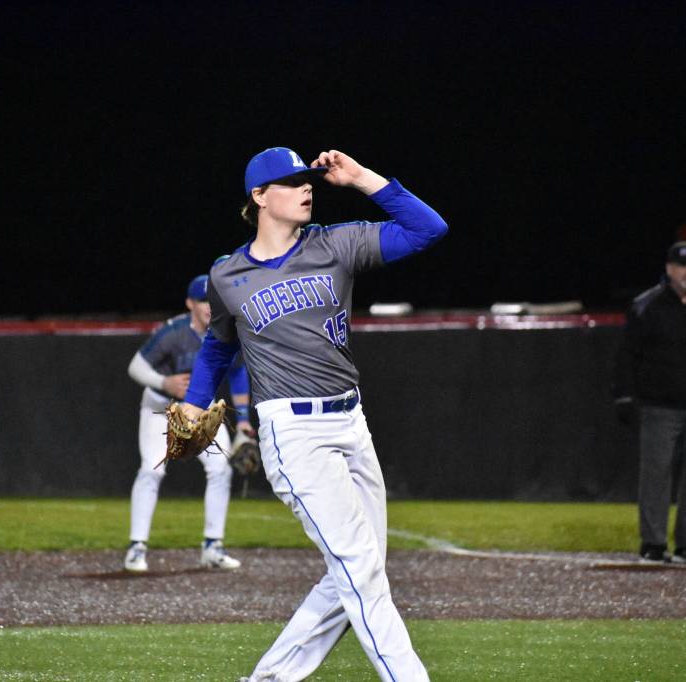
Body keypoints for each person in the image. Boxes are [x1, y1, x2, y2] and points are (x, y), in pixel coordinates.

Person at [180, 148, 447, 682]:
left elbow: (428, 229)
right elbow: (217, 346)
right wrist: (194, 400)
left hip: (352, 422)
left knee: (356, 568)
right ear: (259, 196)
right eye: (291, 182)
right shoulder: (228, 274)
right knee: (359, 569)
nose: (307, 188)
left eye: (308, 181)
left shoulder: (336, 244)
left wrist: (362, 179)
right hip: (293, 432)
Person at [124, 274, 255, 573]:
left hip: (199, 408)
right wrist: (165, 382)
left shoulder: (225, 329)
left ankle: (213, 546)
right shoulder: (174, 332)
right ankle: (136, 547)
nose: (210, 306)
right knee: (151, 471)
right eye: (203, 301)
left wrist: (245, 420)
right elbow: (136, 366)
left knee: (221, 468)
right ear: (190, 304)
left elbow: (236, 372)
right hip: (160, 407)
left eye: (214, 300)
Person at [612, 241, 686, 565]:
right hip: (659, 407)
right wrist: (623, 395)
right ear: (668, 268)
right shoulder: (647, 306)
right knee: (656, 476)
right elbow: (627, 356)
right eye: (682, 265)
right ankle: (653, 543)